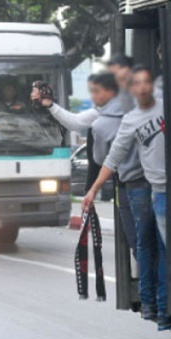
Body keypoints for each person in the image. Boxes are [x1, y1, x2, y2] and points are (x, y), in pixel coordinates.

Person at [81, 64, 171, 331]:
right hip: (145, 189)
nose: (143, 88)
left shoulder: (169, 108)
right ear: (132, 90)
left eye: (147, 83)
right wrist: (94, 188)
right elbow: (112, 157)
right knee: (145, 245)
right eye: (137, 84)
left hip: (167, 190)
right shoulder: (130, 120)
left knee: (164, 248)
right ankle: (149, 303)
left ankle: (164, 307)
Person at [31, 73, 143, 253]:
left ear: (110, 92)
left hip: (137, 182)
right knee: (139, 242)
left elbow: (100, 158)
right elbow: (75, 122)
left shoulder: (113, 118)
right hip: (125, 182)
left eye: (96, 91)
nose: (93, 96)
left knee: (140, 242)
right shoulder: (101, 113)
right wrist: (50, 105)